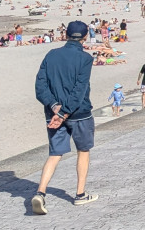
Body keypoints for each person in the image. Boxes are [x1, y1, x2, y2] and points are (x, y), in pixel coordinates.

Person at [31, 20, 97, 214]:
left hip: (53, 113)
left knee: (54, 154)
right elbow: (79, 90)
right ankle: (80, 194)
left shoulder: (51, 55)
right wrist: (63, 112)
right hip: (78, 113)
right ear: (85, 37)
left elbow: (40, 87)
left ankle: (40, 192)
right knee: (83, 151)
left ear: (66, 34)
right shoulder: (85, 58)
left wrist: (54, 107)